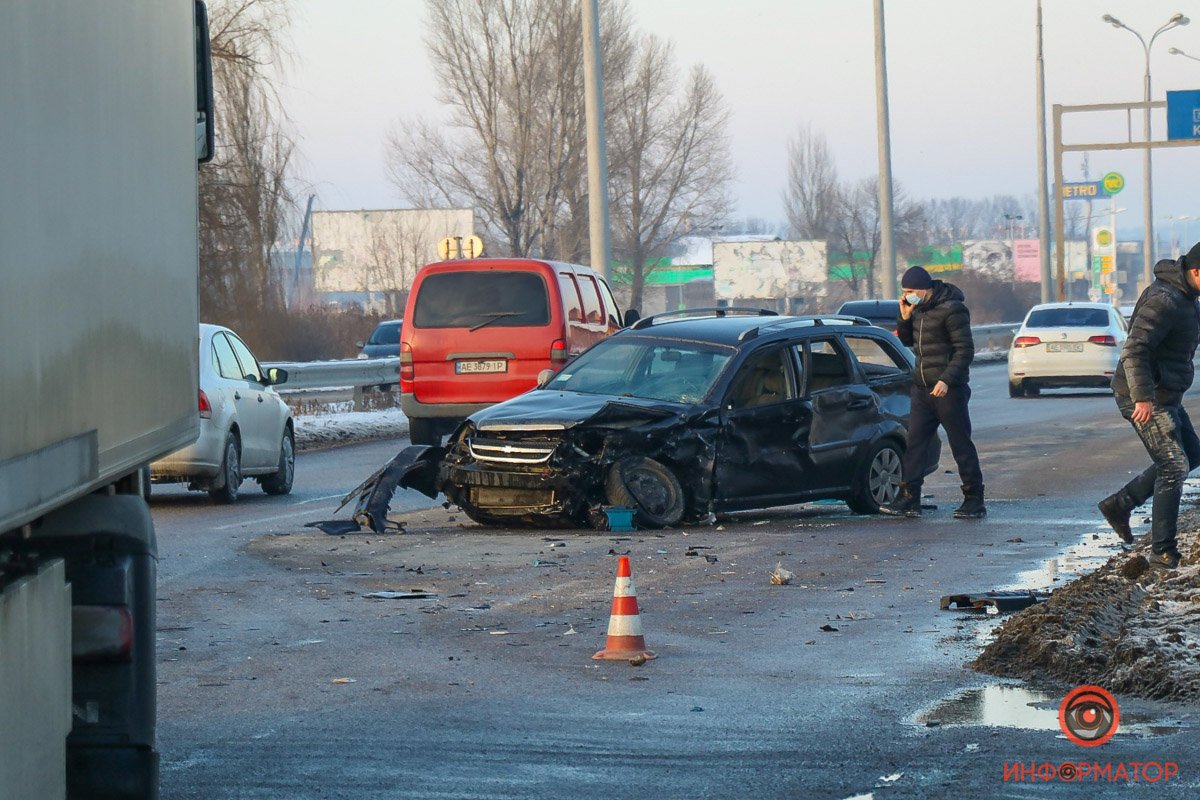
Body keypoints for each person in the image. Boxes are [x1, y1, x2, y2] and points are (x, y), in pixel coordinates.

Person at [1097, 245, 1200, 569]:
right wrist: (1142, 396)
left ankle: (1120, 504)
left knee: (1192, 454)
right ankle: (1162, 551)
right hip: (1144, 395)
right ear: (1196, 271)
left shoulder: (1187, 299)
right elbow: (1135, 349)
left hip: (1165, 394)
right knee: (1174, 465)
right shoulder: (1164, 300)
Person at [880, 265, 985, 519]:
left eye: (911, 291)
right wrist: (905, 317)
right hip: (922, 389)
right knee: (915, 444)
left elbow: (965, 351)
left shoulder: (952, 309)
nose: (907, 295)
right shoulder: (917, 309)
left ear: (924, 288)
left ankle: (974, 499)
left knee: (960, 444)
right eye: (904, 291)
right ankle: (909, 498)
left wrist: (946, 380)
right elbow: (907, 341)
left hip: (949, 390)